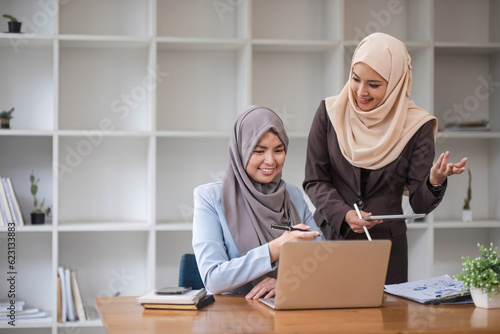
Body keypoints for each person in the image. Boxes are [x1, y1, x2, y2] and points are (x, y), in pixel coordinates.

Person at [303, 32, 467, 284]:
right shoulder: (330, 112)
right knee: (328, 322)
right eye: (355, 79)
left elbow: (419, 205)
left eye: (374, 84)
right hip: (329, 239)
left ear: (396, 83)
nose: (360, 91)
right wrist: (344, 214)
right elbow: (315, 181)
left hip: (386, 250)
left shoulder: (417, 126)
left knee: (386, 322)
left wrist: (434, 181)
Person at [193, 105, 323, 299]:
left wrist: (288, 283)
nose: (270, 161)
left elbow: (323, 260)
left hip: (288, 312)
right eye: (259, 151)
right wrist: (274, 249)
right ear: (241, 150)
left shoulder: (293, 195)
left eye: (278, 150)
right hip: (232, 316)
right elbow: (213, 279)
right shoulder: (210, 198)